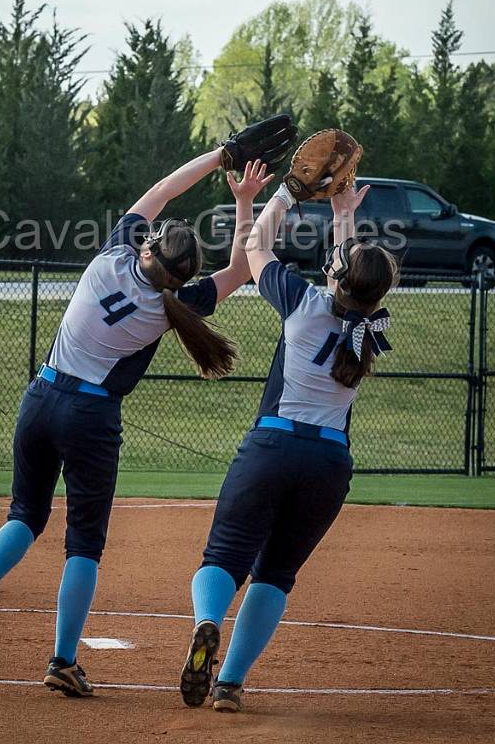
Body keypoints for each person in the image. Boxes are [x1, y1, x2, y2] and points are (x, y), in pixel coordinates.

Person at [0, 148, 275, 699]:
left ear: (147, 248)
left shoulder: (111, 257)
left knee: (25, 514)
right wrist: (245, 202)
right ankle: (62, 661)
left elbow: (165, 187)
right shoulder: (175, 304)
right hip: (90, 416)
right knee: (83, 544)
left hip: (41, 395)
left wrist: (221, 154)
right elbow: (243, 268)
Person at [179, 178, 398, 712]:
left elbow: (256, 247)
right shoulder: (367, 326)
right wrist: (344, 213)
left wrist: (284, 194)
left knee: (223, 556)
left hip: (273, 449)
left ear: (336, 275)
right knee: (275, 574)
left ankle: (208, 622)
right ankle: (229, 684)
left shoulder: (303, 301)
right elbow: (351, 276)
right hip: (328, 464)